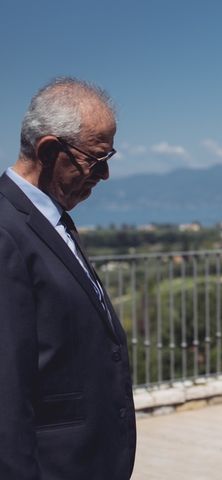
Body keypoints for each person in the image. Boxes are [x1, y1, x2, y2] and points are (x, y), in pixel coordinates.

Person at [0, 78, 136, 479]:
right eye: (96, 158)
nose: (106, 173)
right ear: (49, 150)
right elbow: (6, 391)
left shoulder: (51, 218)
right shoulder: (5, 232)